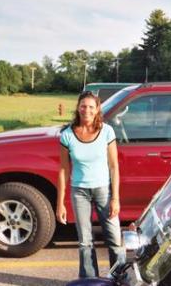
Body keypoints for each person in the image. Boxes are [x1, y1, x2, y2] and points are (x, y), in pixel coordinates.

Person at [56, 91, 125, 278]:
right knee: (85, 241)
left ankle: (119, 277)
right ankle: (89, 280)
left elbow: (114, 166)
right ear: (78, 108)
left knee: (114, 238)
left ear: (97, 110)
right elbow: (63, 170)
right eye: (83, 106)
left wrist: (115, 199)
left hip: (103, 190)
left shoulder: (107, 131)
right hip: (79, 192)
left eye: (91, 107)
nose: (86, 110)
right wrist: (60, 203)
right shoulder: (67, 135)